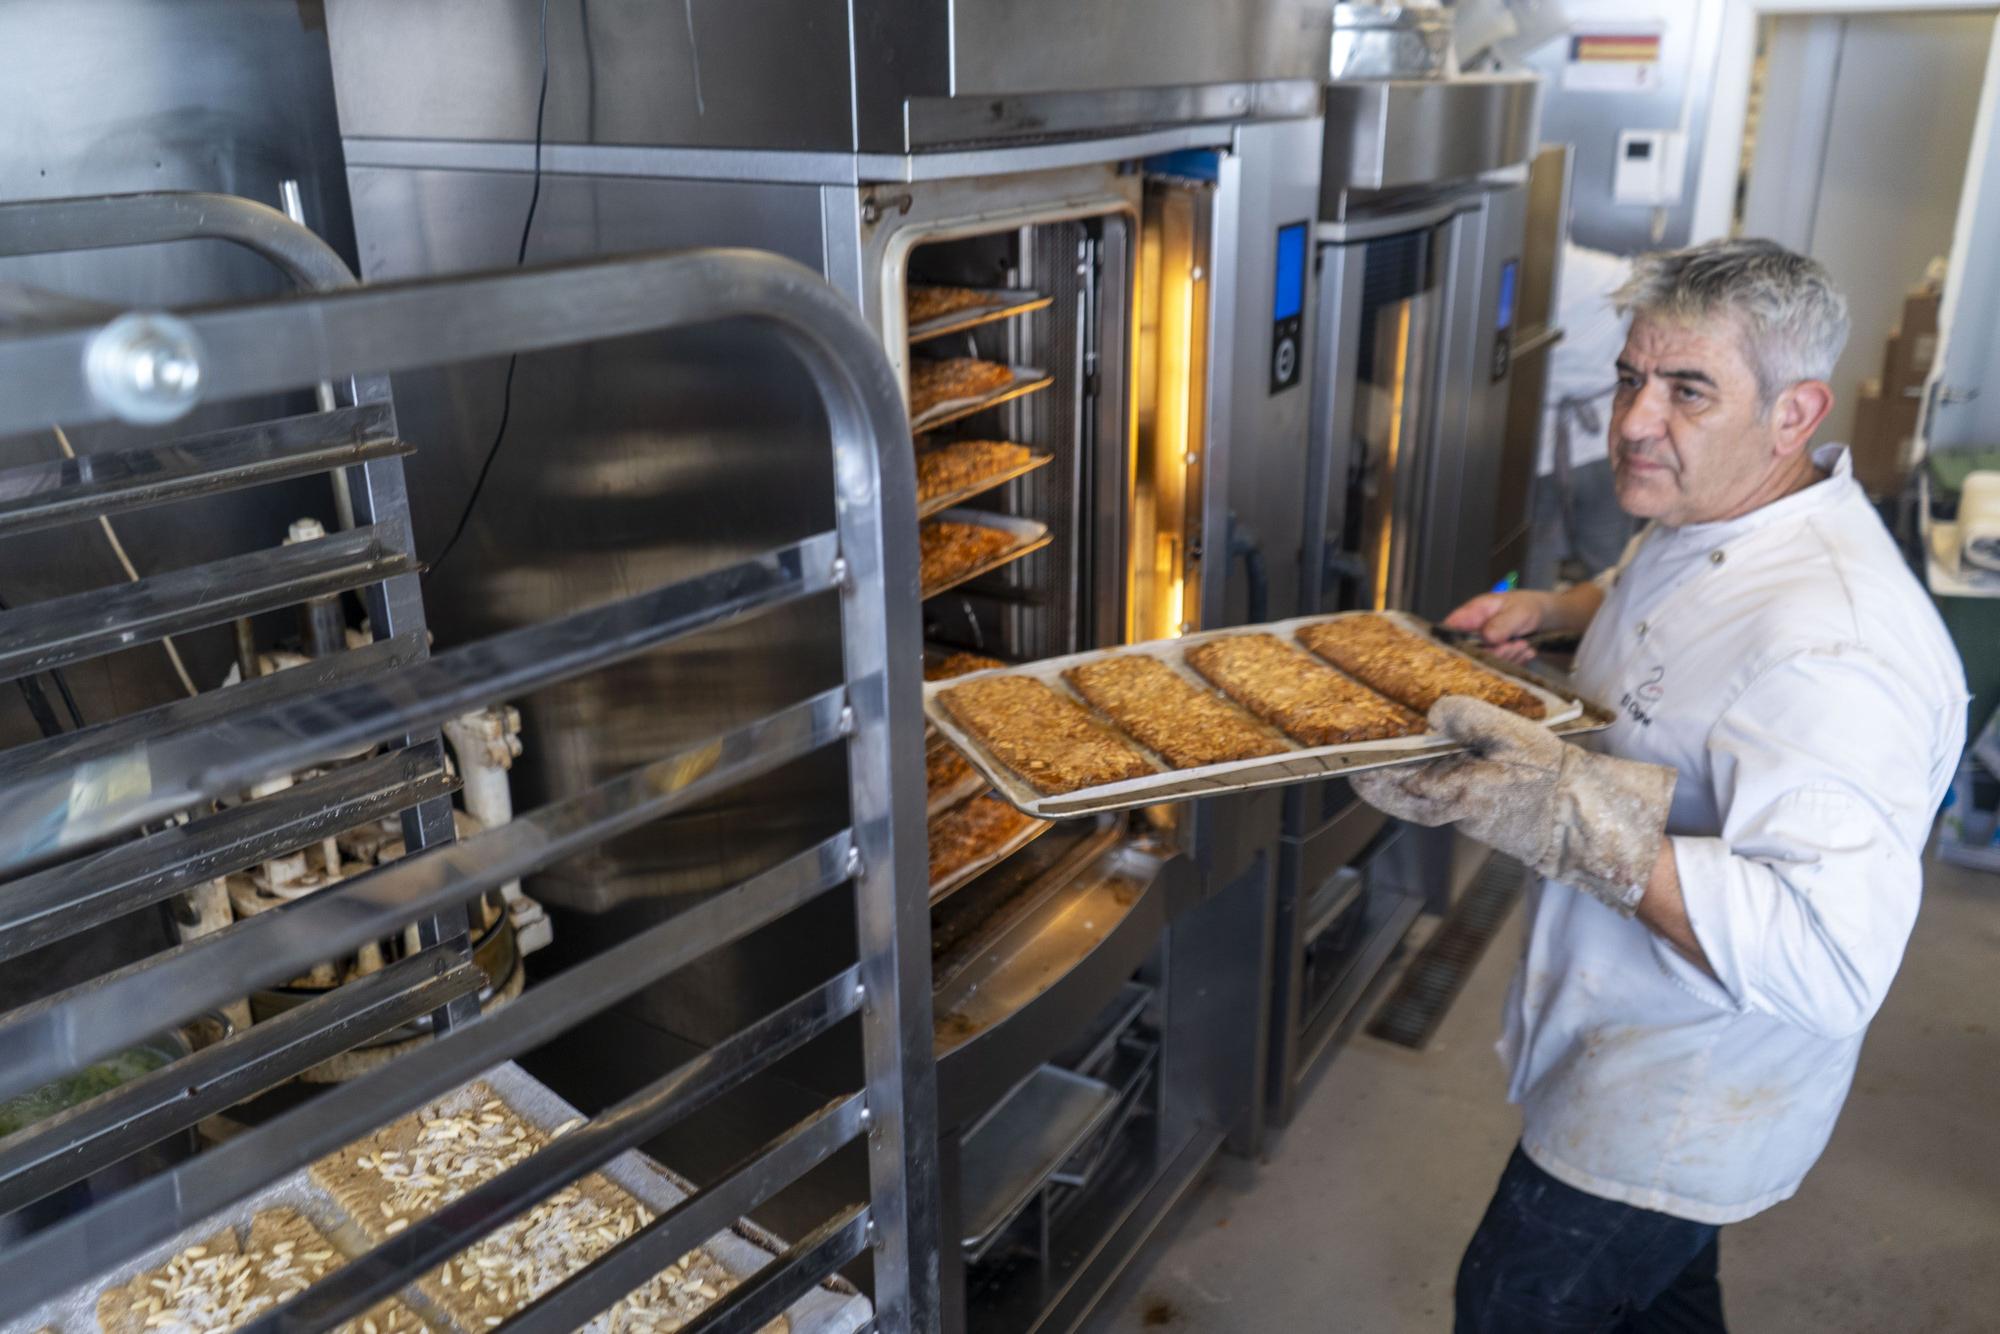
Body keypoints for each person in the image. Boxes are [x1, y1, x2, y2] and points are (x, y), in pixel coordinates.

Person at [1350, 238, 1968, 1332]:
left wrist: (1565, 810)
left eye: (1687, 390)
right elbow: (1668, 588)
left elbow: (1827, 960)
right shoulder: (1727, 509)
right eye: (1632, 377)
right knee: (1664, 1300)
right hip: (1620, 1021)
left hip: (1683, 1081)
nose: (1633, 419)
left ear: (1793, 413)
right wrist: (1555, 609)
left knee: (1508, 1305)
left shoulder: (1837, 649)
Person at [1529, 242, 1640, 588]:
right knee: (1609, 563)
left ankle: (1528, 635)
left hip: (1537, 449)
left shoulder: (1517, 275)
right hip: (1604, 443)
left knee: (1534, 563)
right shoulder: (1615, 274)